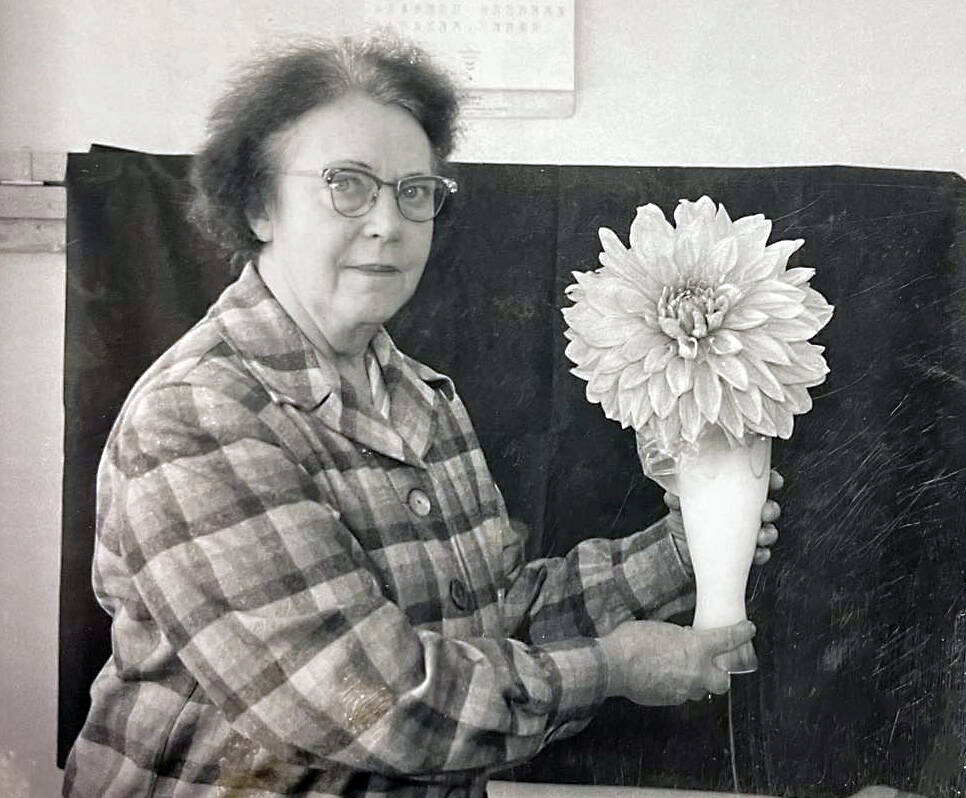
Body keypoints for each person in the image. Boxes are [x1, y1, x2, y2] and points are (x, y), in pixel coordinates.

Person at [63, 36, 781, 798]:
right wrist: (610, 670)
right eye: (348, 184)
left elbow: (494, 621)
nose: (388, 223)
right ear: (257, 204)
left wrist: (683, 549)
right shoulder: (199, 417)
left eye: (414, 191)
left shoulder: (419, 395)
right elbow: (367, 701)